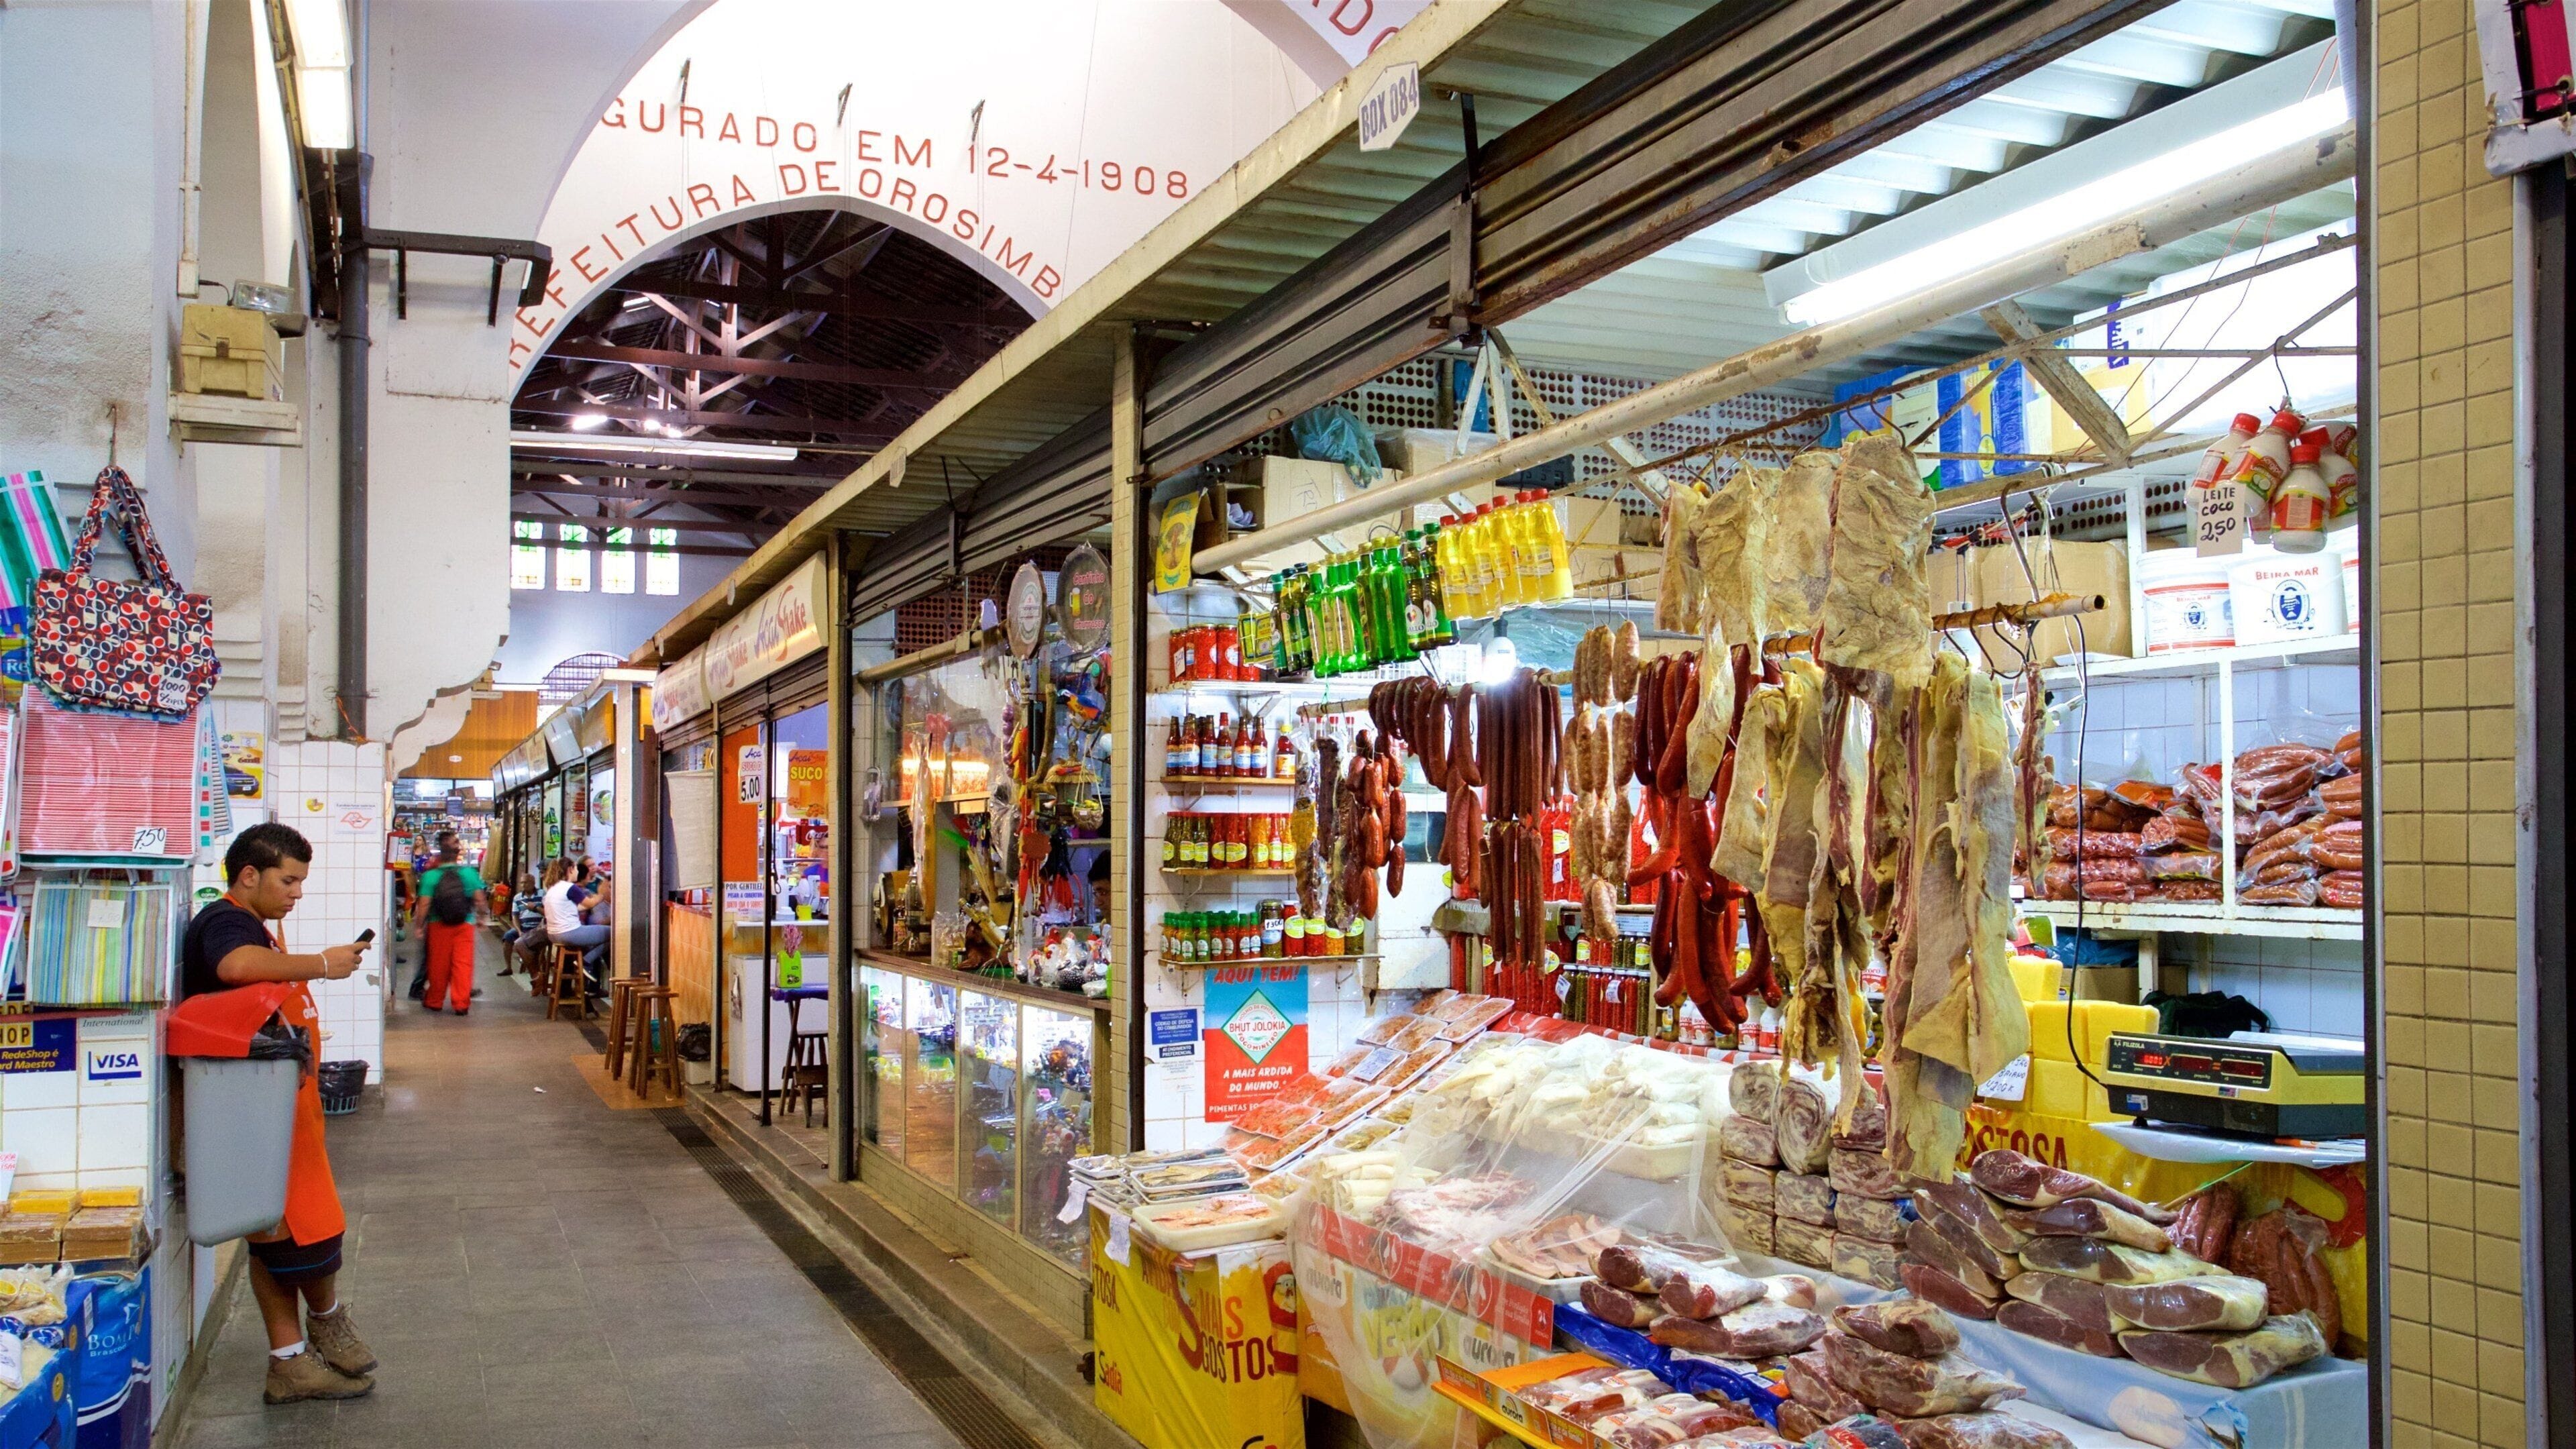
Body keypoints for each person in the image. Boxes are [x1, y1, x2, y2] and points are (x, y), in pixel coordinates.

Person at [181, 822, 377, 1404]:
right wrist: (321, 963)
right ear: (249, 876)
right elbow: (234, 968)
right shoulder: (225, 922)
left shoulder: (256, 928)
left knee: (282, 1238)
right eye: (288, 880)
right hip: (258, 1117)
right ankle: (315, 1337)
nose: (296, 893)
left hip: (280, 1113)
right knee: (293, 1240)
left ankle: (291, 1360)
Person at [411, 832, 484, 1014]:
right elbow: (480, 900)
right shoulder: (469, 873)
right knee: (463, 965)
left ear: (439, 854)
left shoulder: (430, 877)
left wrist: (419, 926)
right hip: (464, 925)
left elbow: (424, 905)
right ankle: (461, 1004)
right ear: (457, 853)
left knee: (438, 965)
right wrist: (482, 918)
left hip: (438, 925)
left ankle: (435, 1000)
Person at [542, 858, 609, 979]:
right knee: (614, 933)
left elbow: (575, 907)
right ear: (570, 869)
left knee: (597, 933)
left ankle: (586, 961)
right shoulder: (570, 888)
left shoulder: (553, 887)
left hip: (553, 935)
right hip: (569, 933)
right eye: (577, 869)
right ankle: (586, 962)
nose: (579, 872)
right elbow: (589, 903)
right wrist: (602, 894)